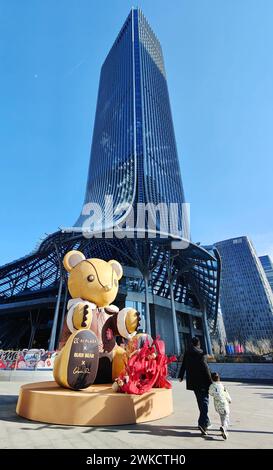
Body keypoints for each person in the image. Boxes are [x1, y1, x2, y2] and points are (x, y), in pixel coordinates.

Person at [178, 336, 213, 435]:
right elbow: (205, 368)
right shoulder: (201, 353)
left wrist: (180, 376)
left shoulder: (187, 353)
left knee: (200, 401)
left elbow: (183, 365)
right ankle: (202, 424)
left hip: (193, 382)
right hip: (203, 381)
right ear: (198, 343)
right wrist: (211, 381)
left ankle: (207, 421)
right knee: (205, 401)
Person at [209, 372, 232, 440]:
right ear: (219, 378)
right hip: (224, 404)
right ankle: (224, 428)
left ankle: (223, 428)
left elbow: (210, 392)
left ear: (212, 379)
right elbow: (226, 393)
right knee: (226, 417)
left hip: (218, 406)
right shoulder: (222, 385)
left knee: (222, 417)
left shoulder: (212, 386)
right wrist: (229, 399)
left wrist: (215, 394)